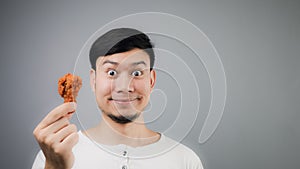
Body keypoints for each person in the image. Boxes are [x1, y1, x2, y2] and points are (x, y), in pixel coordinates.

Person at [32, 28, 204, 169]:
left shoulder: (185, 161)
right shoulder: (53, 156)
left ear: (151, 81)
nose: (124, 87)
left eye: (136, 73)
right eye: (112, 73)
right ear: (94, 80)